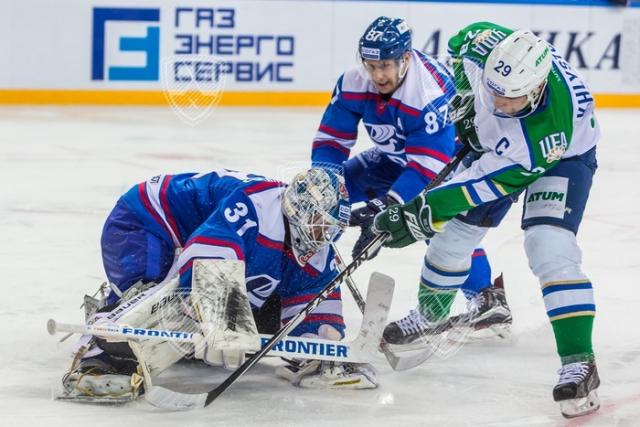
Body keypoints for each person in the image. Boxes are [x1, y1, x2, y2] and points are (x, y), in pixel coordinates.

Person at [373, 22, 600, 418]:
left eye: (508, 99)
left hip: (564, 160)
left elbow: (476, 186)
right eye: (492, 92)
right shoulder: (486, 46)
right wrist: (464, 95)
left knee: (548, 246)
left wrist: (419, 213)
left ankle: (580, 361)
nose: (497, 104)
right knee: (453, 237)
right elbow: (462, 42)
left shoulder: (543, 140)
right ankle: (430, 317)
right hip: (508, 148)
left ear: (535, 90)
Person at [59, 167, 378, 403]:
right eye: (318, 224)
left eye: (331, 229)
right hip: (145, 221)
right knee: (171, 300)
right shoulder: (255, 206)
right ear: (298, 209)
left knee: (253, 316)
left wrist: (325, 349)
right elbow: (206, 255)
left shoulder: (315, 243)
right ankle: (100, 352)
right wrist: (226, 324)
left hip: (192, 239)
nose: (323, 236)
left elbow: (314, 303)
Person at [311, 16, 511, 345]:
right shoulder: (353, 81)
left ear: (405, 58)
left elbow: (425, 168)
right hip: (390, 158)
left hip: (444, 164)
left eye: (386, 65)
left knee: (437, 227)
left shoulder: (426, 94)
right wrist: (325, 185)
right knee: (311, 202)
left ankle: (486, 297)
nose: (378, 75)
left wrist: (384, 207)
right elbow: (332, 141)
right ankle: (293, 284)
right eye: (371, 65)